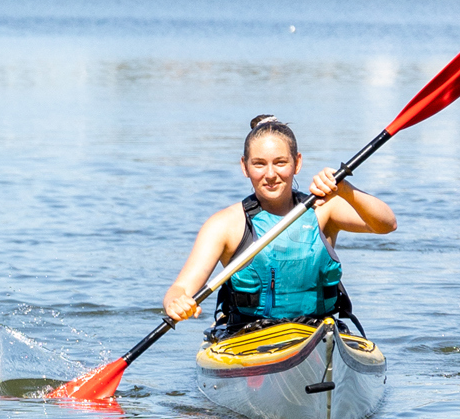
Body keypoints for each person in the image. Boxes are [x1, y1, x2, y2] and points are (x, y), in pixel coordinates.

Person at [161, 115, 396, 336]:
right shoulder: (224, 225)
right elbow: (180, 288)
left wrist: (346, 190)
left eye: (280, 162)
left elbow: (386, 224)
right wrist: (177, 303)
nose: (271, 174)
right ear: (244, 166)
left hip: (318, 333)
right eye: (259, 164)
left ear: (297, 163)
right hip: (246, 336)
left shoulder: (324, 210)